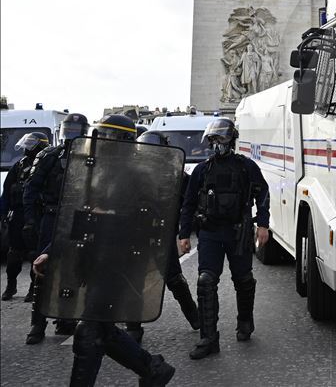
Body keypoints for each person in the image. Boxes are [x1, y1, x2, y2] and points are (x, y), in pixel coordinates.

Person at [31, 113, 176, 386]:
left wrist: (109, 214)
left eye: (108, 137)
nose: (103, 142)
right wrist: (52, 251)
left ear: (124, 141)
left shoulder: (140, 177)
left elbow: (151, 222)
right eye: (101, 135)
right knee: (102, 330)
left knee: (88, 332)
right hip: (93, 260)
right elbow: (79, 216)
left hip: (121, 264)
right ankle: (153, 369)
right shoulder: (96, 172)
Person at [179, 117, 270, 360]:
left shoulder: (246, 167)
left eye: (220, 138)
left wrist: (263, 224)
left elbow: (262, 193)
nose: (216, 143)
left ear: (230, 140)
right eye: (213, 139)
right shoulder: (202, 170)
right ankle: (208, 339)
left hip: (238, 232)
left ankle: (245, 321)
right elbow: (188, 203)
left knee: (243, 280)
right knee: (206, 281)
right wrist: (183, 234)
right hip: (209, 233)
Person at [125, 131, 200, 343]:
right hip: (135, 234)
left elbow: (190, 204)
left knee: (174, 279)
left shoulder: (176, 175)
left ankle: (195, 318)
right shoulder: (131, 175)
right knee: (133, 280)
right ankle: (133, 327)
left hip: (161, 234)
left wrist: (186, 230)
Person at [23, 113, 90, 344]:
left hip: (79, 218)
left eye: (75, 129)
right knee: (42, 271)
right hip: (52, 217)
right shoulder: (49, 155)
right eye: (67, 128)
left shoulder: (91, 155)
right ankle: (37, 325)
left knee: (72, 271)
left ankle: (65, 318)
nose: (70, 133)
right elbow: (31, 188)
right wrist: (30, 220)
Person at [1, 132, 49, 301]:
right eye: (26, 143)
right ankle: (11, 286)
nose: (27, 147)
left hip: (37, 215)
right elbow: (6, 192)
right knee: (14, 254)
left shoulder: (47, 165)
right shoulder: (19, 166)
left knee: (35, 253)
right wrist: (3, 214)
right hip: (18, 215)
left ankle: (33, 288)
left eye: (31, 144)